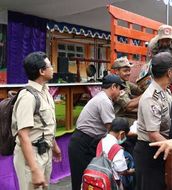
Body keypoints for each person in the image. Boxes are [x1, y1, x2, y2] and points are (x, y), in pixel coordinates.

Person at [11, 51, 61, 190]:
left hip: (45, 150)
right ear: (42, 71)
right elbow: (23, 135)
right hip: (31, 155)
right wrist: (34, 169)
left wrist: (54, 145)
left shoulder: (45, 91)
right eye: (50, 66)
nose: (53, 69)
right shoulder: (27, 97)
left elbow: (45, 124)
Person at [68, 74, 126, 190]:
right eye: (120, 89)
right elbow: (112, 129)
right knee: (83, 181)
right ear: (113, 87)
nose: (120, 93)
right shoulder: (104, 101)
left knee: (87, 181)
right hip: (83, 143)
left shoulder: (102, 98)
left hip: (85, 141)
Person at [134, 52, 172, 190]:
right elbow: (153, 134)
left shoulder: (165, 90)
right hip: (148, 152)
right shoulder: (152, 98)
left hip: (159, 148)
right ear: (169, 72)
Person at [97, 117, 135, 189]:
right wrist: (131, 171)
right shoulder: (117, 149)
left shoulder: (102, 141)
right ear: (122, 133)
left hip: (99, 178)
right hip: (112, 182)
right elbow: (121, 171)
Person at [112, 57, 143, 125]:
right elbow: (128, 106)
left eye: (129, 70)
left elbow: (139, 90)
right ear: (117, 71)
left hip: (125, 114)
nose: (129, 73)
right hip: (118, 118)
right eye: (125, 71)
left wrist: (145, 82)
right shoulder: (116, 86)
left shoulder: (125, 82)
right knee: (142, 125)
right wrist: (147, 94)